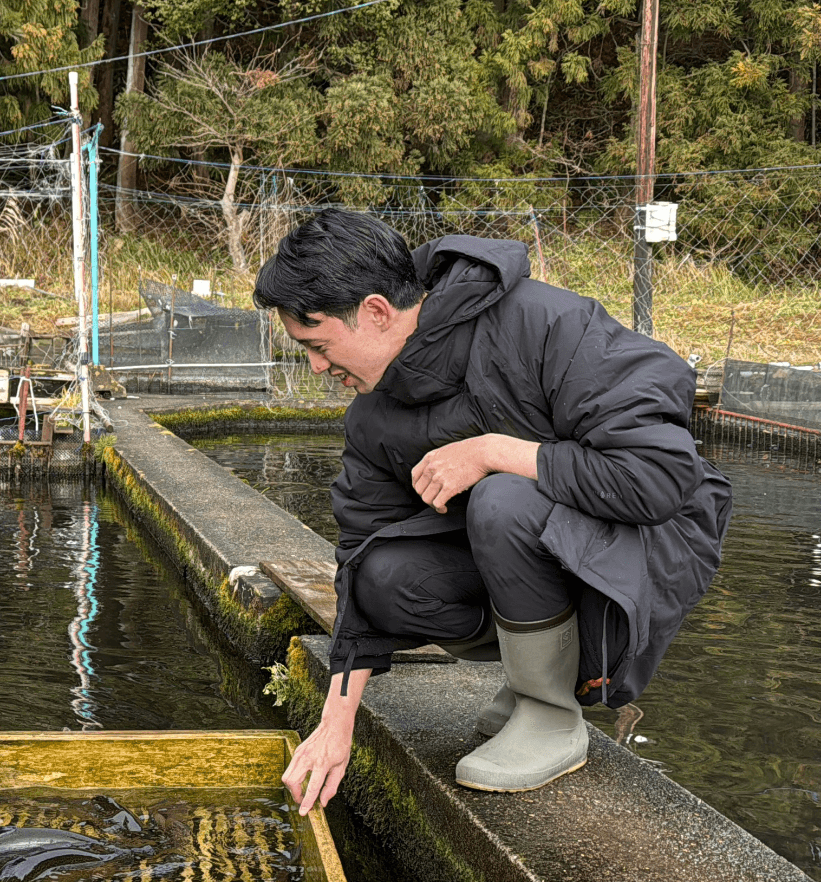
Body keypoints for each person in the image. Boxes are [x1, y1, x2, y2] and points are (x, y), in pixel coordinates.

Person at [254, 210, 732, 809]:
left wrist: (494, 452)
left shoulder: (546, 325)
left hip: (648, 545)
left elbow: (660, 478)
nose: (317, 367)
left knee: (502, 497)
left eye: (318, 345)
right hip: (547, 548)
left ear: (376, 311)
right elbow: (358, 551)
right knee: (384, 576)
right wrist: (334, 725)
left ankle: (551, 714)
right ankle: (534, 676)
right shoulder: (373, 415)